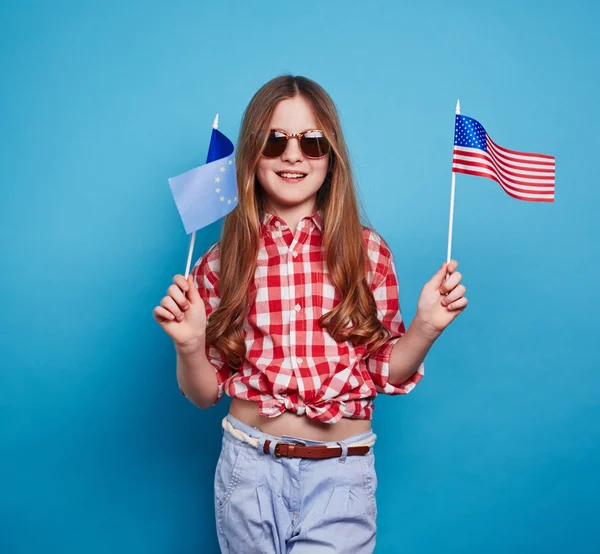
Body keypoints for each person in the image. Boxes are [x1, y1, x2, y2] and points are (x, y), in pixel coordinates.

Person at [153, 75, 468, 553]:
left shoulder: (367, 252)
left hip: (342, 475)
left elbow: (384, 371)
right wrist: (190, 345)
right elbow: (202, 394)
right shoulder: (220, 261)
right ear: (252, 153)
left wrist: (424, 328)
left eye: (312, 141)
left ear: (332, 154)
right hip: (248, 473)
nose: (293, 155)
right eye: (275, 141)